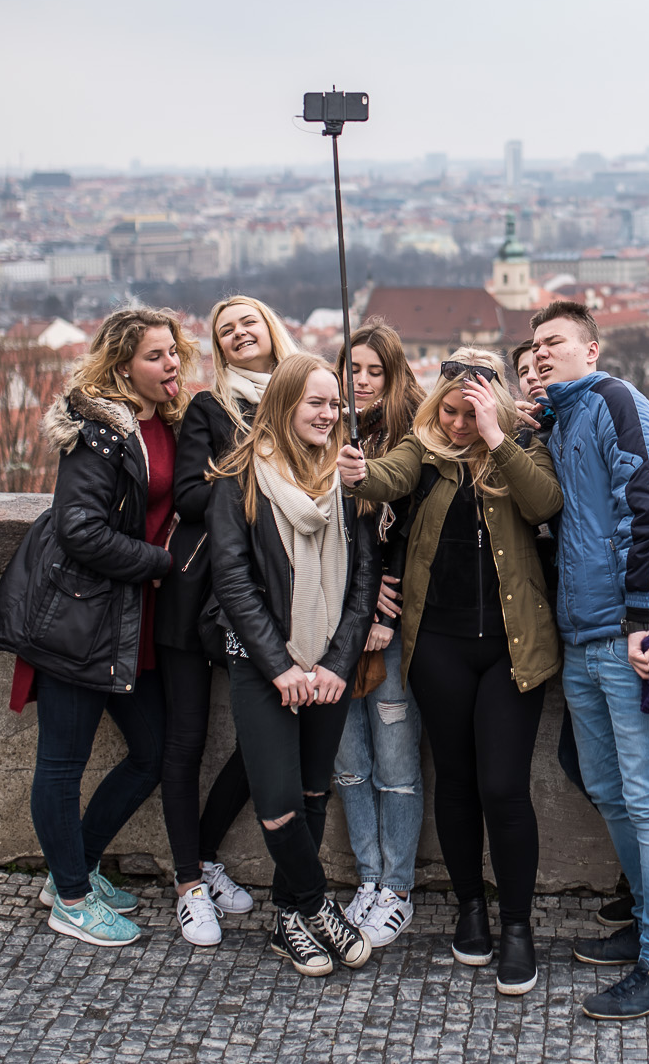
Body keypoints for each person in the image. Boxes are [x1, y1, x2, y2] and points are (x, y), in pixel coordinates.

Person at [338, 347, 563, 997]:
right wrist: (358, 469)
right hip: (436, 645)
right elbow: (385, 476)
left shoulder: (522, 446)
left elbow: (544, 501)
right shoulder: (426, 450)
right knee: (458, 782)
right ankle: (470, 906)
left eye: (473, 412)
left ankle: (516, 926)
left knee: (503, 786)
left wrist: (499, 436)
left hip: (511, 650)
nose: (460, 424)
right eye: (452, 412)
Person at [511, 340, 649, 947]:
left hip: (622, 632)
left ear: (591, 347)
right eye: (528, 358)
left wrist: (641, 622)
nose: (540, 362)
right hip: (583, 630)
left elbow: (648, 512)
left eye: (553, 345)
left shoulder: (616, 400)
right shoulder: (564, 418)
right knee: (611, 784)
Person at [16, 307, 193, 948]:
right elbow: (79, 528)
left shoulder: (166, 421)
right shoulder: (101, 432)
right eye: (155, 356)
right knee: (62, 762)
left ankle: (77, 866)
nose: (171, 364)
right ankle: (69, 897)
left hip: (130, 621)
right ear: (123, 367)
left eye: (173, 352)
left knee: (152, 752)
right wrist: (160, 563)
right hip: (83, 616)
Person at [207, 353, 376, 978]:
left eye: (335, 405)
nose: (330, 415)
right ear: (284, 405)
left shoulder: (351, 480)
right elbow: (233, 580)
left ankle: (287, 922)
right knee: (276, 803)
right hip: (263, 666)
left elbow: (364, 582)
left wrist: (336, 663)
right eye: (317, 403)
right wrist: (281, 667)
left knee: (310, 794)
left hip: (328, 666)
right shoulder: (239, 477)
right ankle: (318, 906)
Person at [163, 297, 296, 944]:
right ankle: (189, 883)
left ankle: (205, 855)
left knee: (260, 744)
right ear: (219, 348)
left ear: (271, 328)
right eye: (226, 330)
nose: (240, 333)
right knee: (185, 740)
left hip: (271, 596)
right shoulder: (210, 408)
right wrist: (252, 462)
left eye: (248, 321)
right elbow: (190, 493)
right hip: (200, 594)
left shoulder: (306, 393)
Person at [332, 321, 428, 950]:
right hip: (335, 623)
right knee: (348, 762)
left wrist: (383, 604)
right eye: (353, 370)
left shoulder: (417, 438)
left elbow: (416, 535)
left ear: (394, 377)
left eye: (375, 371)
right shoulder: (326, 434)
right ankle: (367, 877)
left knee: (395, 761)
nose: (362, 382)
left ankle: (397, 886)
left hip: (392, 623)